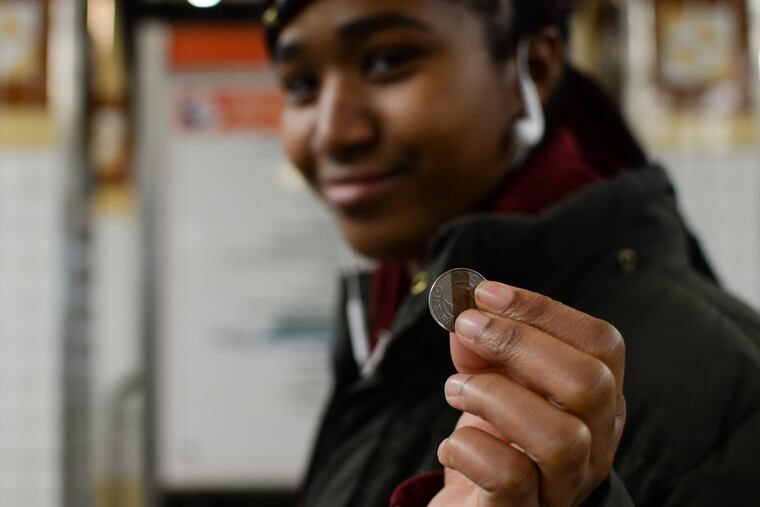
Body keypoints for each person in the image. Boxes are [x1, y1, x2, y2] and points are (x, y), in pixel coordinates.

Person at [260, 0, 760, 505]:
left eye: (388, 61)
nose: (332, 132)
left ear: (534, 68)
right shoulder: (385, 331)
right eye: (301, 85)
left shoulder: (728, 391)